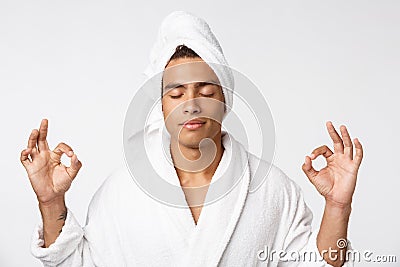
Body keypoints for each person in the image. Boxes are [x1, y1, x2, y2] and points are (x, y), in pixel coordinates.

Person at [20, 11, 363, 267]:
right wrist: (51, 203)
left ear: (225, 98)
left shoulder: (272, 188)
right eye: (176, 93)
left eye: (205, 90)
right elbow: (76, 263)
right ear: (161, 105)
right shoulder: (122, 192)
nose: (192, 104)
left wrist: (337, 205)